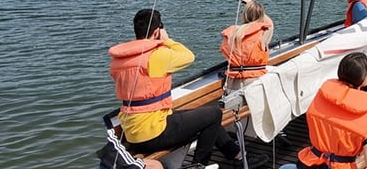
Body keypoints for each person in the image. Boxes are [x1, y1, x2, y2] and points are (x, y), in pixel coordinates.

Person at [109, 9, 268, 169]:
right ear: (157, 31)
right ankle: (198, 165)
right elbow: (188, 56)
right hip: (153, 133)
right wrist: (167, 40)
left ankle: (238, 156)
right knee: (214, 114)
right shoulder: (157, 55)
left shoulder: (118, 61)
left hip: (132, 131)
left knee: (207, 116)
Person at [221, 0, 274, 89]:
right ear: (260, 15)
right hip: (255, 80)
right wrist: (256, 10)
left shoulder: (233, 33)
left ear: (244, 15)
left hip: (233, 82)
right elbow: (270, 24)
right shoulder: (263, 33)